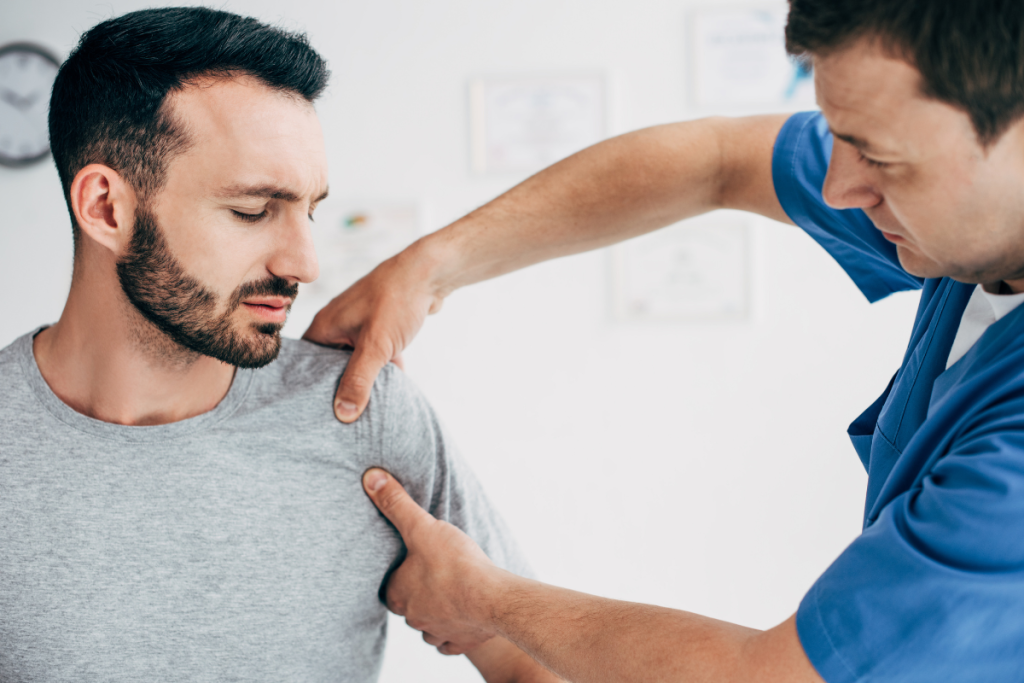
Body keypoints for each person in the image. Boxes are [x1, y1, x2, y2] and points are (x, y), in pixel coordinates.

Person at [303, 0, 1024, 680]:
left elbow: (766, 677)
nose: (838, 187)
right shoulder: (968, 224)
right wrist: (431, 267)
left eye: (882, 160)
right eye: (836, 133)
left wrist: (487, 601)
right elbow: (715, 159)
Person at [0, 8, 559, 682]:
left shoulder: (362, 411)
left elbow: (536, 667)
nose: (305, 262)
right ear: (107, 209)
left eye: (310, 210)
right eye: (252, 211)